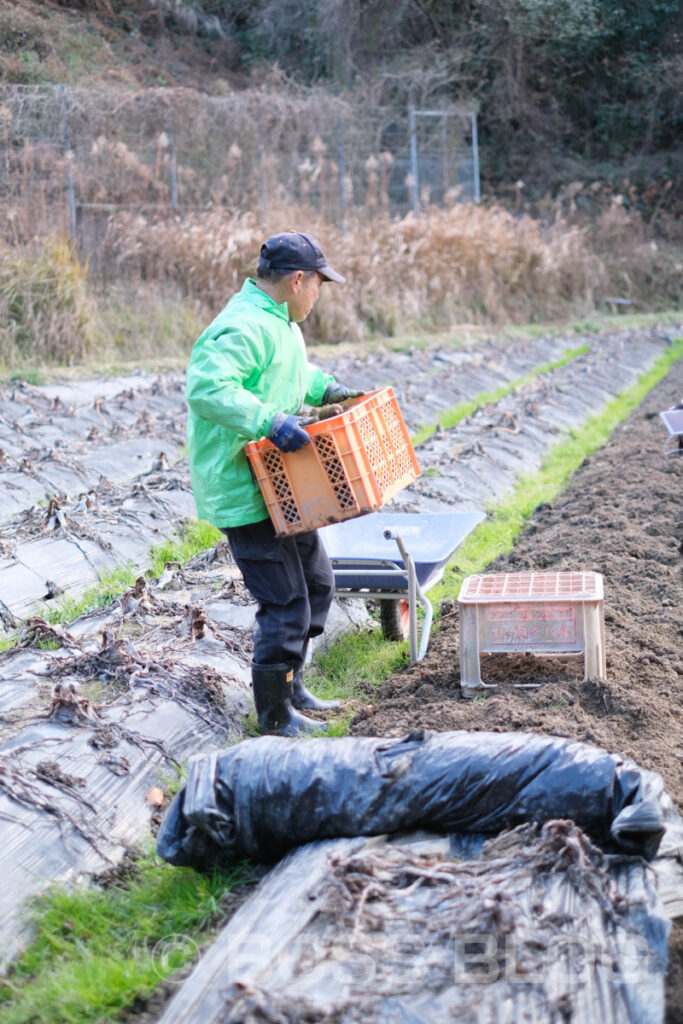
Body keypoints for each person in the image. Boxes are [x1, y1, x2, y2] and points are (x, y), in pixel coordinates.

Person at [185, 231, 362, 737]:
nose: (320, 295)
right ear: (298, 279)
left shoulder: (278, 321)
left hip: (280, 483)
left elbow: (288, 371)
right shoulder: (242, 326)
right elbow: (206, 387)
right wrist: (268, 421)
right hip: (244, 488)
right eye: (319, 285)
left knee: (317, 584)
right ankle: (274, 715)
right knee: (285, 602)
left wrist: (325, 387)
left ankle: (293, 685)